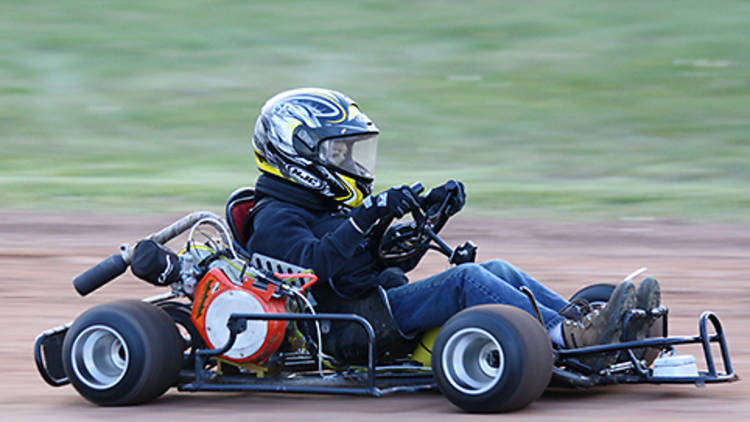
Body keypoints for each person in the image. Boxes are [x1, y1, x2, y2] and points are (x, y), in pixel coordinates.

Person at [246, 88, 660, 370]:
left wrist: (432, 216)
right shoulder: (275, 216)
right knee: (465, 281)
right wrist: (368, 215)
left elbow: (383, 260)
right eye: (337, 152)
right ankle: (572, 342)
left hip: (376, 307)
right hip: (349, 330)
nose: (348, 162)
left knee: (497, 271)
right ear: (294, 154)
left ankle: (587, 325)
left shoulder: (324, 207)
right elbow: (311, 268)